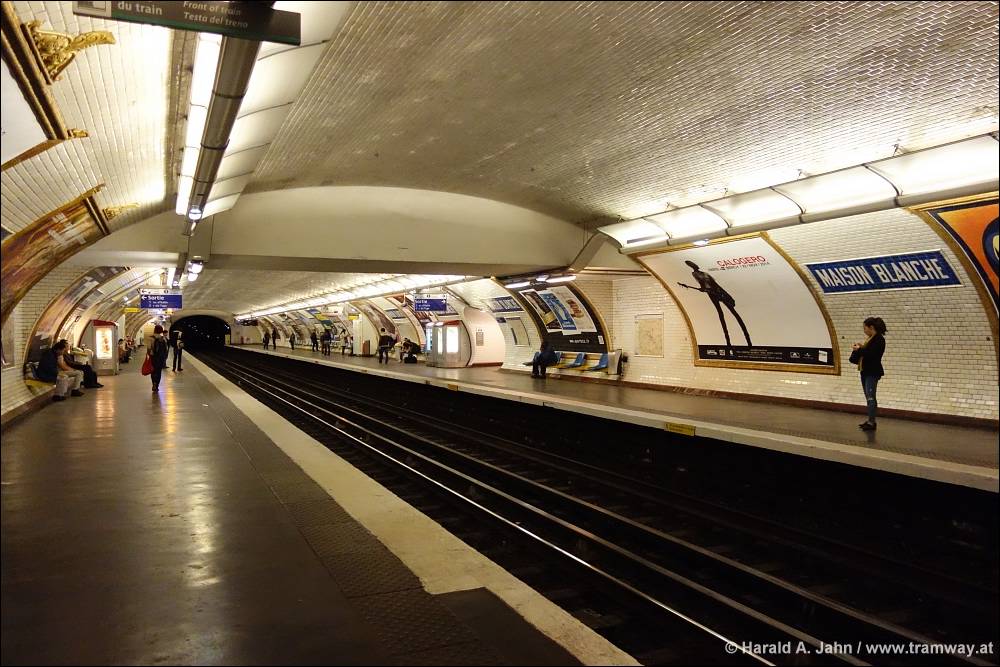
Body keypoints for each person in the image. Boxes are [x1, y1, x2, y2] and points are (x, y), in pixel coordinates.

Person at [678, 260, 752, 349]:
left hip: (717, 292)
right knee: (722, 314)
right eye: (690, 264)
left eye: (692, 264)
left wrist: (705, 289)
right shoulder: (696, 274)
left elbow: (712, 284)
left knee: (732, 313)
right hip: (713, 293)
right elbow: (703, 284)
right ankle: (729, 343)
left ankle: (747, 341)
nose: (693, 265)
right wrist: (704, 289)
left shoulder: (702, 273)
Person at [849, 317, 887, 431]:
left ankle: (872, 422)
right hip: (865, 371)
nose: (864, 330)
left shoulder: (879, 339)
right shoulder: (870, 339)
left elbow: (872, 354)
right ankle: (870, 420)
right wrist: (861, 347)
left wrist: (859, 349)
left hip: (872, 372)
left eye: (865, 328)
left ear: (871, 327)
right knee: (868, 397)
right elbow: (867, 353)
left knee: (871, 397)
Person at [148, 325, 169, 392]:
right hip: (160, 358)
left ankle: (153, 383)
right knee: (158, 372)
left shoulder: (151, 338)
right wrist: (165, 357)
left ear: (155, 329)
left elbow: (149, 348)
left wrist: (148, 355)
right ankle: (157, 386)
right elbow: (166, 349)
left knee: (153, 371)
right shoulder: (163, 338)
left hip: (153, 357)